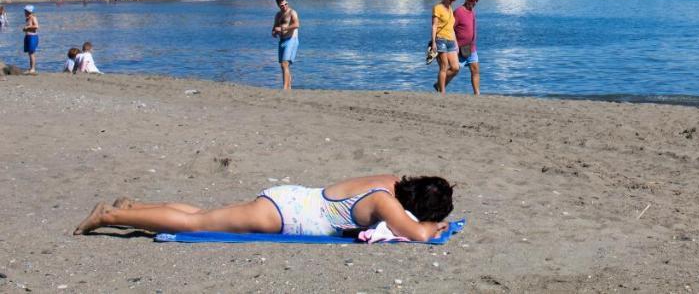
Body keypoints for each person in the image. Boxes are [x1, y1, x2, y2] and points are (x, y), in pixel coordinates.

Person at [74, 173, 453, 240]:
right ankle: (110, 215)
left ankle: (134, 205)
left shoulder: (388, 181)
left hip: (290, 198)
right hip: (282, 216)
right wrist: (437, 227)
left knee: (202, 215)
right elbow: (417, 233)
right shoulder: (387, 205)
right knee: (194, 225)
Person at [448, 0, 480, 95]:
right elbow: (450, 28)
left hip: (471, 48)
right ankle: (440, 84)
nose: (474, 3)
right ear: (466, 0)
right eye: (472, 0)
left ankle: (477, 93)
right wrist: (454, 45)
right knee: (454, 70)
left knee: (475, 69)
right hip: (459, 48)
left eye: (476, 1)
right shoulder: (458, 12)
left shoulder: (472, 12)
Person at [430, 0, 459, 94]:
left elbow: (451, 28)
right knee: (444, 66)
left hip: (451, 40)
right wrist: (433, 42)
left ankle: (438, 84)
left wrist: (456, 43)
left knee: (455, 67)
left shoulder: (450, 8)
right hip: (440, 39)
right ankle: (442, 91)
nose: (453, 2)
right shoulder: (437, 8)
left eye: (454, 0)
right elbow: (434, 26)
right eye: (451, 0)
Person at [271, 0, 300, 90]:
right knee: (284, 65)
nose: (284, 6)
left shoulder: (292, 12)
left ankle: (284, 88)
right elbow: (274, 27)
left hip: (291, 39)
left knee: (284, 64)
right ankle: (289, 88)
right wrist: (274, 32)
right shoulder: (278, 15)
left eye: (286, 4)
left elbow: (297, 24)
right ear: (278, 5)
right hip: (282, 41)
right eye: (282, 5)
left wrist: (285, 28)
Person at [21, 5, 39, 74]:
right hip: (28, 36)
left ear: (29, 11)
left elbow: (36, 26)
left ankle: (33, 68)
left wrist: (27, 27)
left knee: (32, 53)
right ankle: (31, 68)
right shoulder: (28, 18)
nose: (24, 13)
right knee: (29, 53)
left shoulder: (33, 17)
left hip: (32, 37)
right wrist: (25, 29)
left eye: (25, 11)